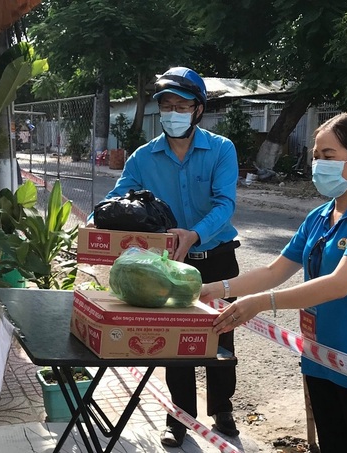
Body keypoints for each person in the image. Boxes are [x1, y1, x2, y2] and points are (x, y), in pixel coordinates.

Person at [200, 112, 347, 453]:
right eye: (315, 156)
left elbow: (340, 284)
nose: (318, 164)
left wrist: (262, 303)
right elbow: (274, 271)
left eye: (328, 156)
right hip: (322, 358)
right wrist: (217, 288)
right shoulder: (320, 217)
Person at [88, 67, 241, 448]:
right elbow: (116, 200)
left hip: (217, 258)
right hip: (166, 267)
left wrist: (194, 234)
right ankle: (179, 418)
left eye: (181, 105)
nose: (173, 113)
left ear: (198, 110)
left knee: (223, 336)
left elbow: (225, 204)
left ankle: (223, 409)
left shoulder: (221, 149)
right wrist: (93, 226)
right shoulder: (143, 158)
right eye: (166, 105)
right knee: (176, 341)